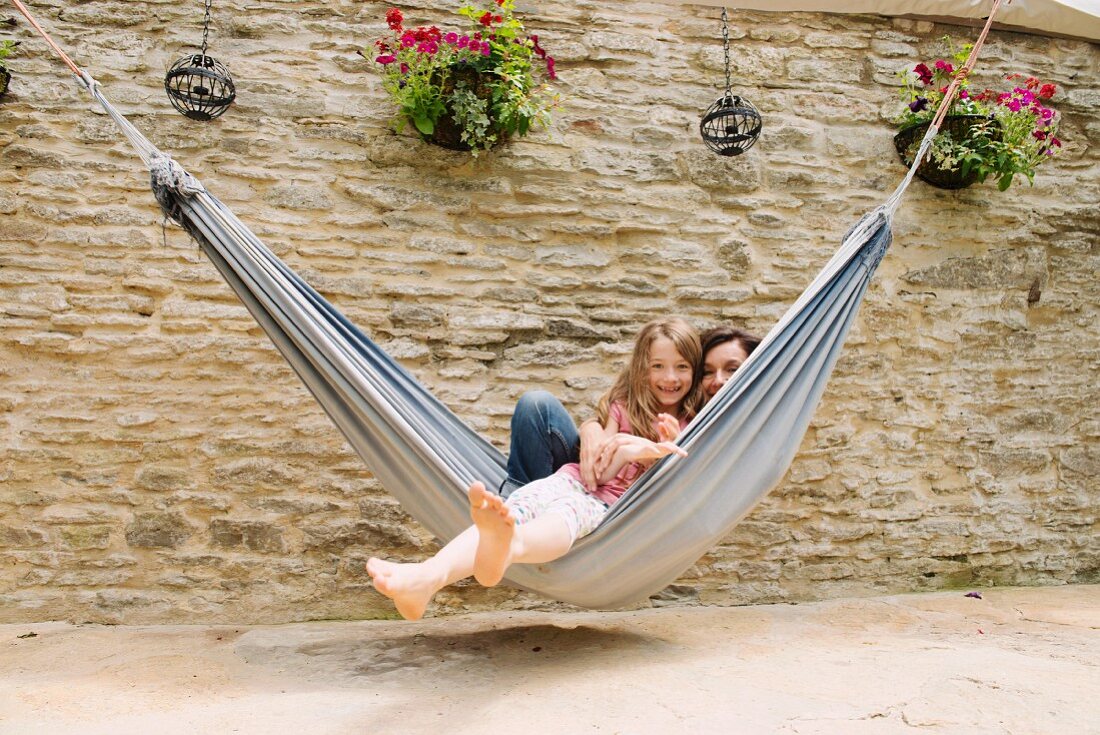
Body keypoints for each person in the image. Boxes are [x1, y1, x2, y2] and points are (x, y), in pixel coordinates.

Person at [367, 318, 705, 620]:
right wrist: (621, 449)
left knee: (564, 516)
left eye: (681, 367)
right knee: (512, 509)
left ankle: (510, 546)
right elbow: (597, 474)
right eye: (657, 366)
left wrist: (656, 451)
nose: (669, 377)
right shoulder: (622, 406)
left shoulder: (694, 423)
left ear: (695, 370)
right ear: (641, 368)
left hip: (606, 507)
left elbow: (668, 485)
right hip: (571, 479)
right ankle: (427, 577)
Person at [503, 323, 762, 496]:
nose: (718, 380)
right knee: (536, 404)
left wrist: (667, 445)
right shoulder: (626, 404)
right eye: (708, 371)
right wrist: (592, 428)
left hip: (621, 507)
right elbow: (600, 462)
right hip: (583, 483)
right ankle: (517, 504)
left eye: (733, 369)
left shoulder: (700, 419)